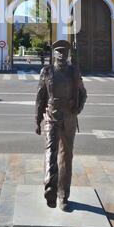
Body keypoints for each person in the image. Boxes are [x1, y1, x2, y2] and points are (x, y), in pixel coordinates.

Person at [35, 40, 87, 211]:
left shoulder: (74, 72)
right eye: (59, 52)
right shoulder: (47, 71)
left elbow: (83, 93)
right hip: (51, 115)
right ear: (54, 54)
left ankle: (63, 195)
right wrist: (37, 119)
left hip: (69, 118)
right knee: (51, 151)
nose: (62, 55)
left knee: (66, 157)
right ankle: (50, 188)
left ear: (68, 55)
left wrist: (78, 107)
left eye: (65, 53)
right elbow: (40, 96)